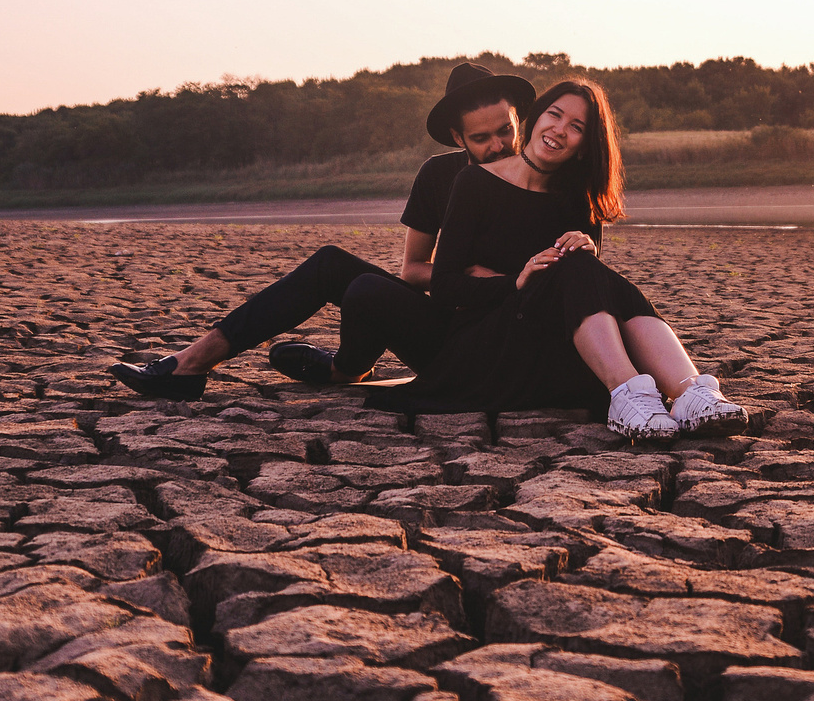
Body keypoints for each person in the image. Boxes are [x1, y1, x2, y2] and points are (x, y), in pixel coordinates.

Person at [109, 62, 535, 400]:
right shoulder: (438, 175)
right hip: (444, 330)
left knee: (368, 290)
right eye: (481, 138)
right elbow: (413, 271)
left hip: (498, 344)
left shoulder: (545, 177)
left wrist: (502, 281)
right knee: (332, 263)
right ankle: (192, 364)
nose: (497, 146)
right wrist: (459, 276)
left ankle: (343, 370)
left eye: (505, 131)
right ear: (457, 137)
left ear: (519, 121)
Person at [369, 77, 744, 439]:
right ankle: (631, 392)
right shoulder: (474, 182)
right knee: (575, 264)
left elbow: (591, 293)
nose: (560, 129)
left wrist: (588, 250)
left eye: (576, 126)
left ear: (583, 145)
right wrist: (516, 280)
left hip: (554, 341)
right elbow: (446, 288)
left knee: (581, 262)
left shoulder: (577, 197)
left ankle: (688, 392)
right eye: (554, 114)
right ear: (533, 121)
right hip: (491, 341)